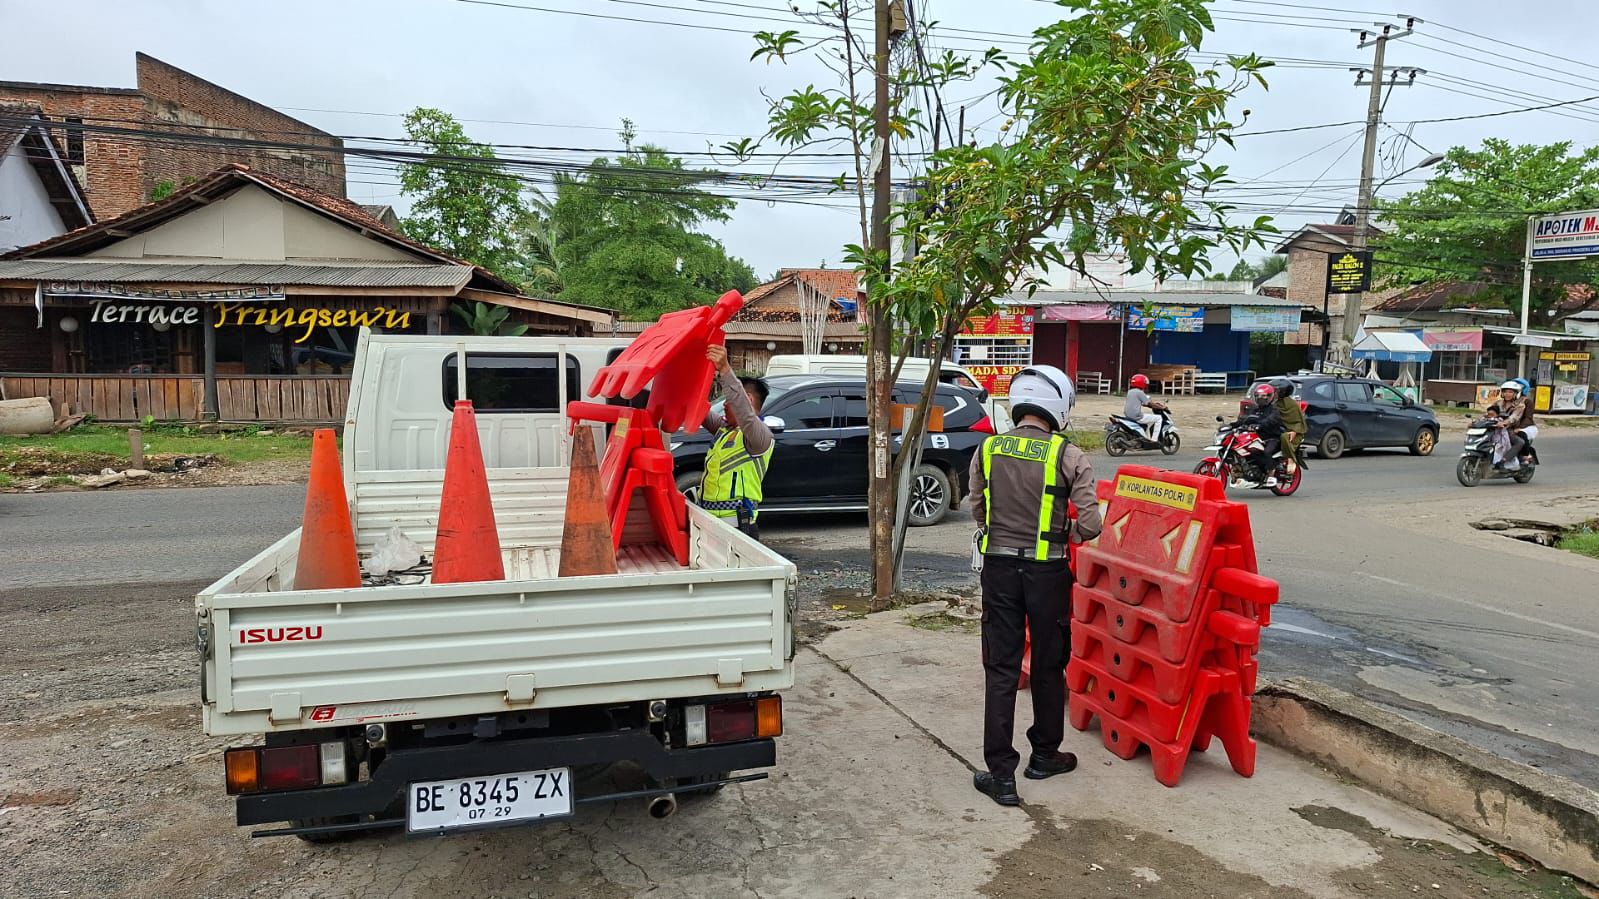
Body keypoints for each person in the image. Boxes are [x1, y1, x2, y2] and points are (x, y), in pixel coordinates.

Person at [968, 365, 1103, 807]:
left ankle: (1000, 775)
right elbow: (1091, 523)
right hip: (1049, 576)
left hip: (1000, 572)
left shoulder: (988, 449)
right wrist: (1069, 538)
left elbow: (977, 506)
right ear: (1058, 405)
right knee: (1048, 664)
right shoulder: (1069, 456)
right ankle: (1045, 755)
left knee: (1002, 670)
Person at [697, 345, 773, 540]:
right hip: (711, 523)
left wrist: (724, 369)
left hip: (739, 528)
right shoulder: (724, 430)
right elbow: (698, 409)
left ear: (746, 400)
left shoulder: (758, 437)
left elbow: (745, 413)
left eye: (727, 400)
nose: (723, 404)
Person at [1237, 382, 1286, 485]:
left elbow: (1271, 420)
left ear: (1270, 396)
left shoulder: (1275, 410)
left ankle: (1271, 473)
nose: (1261, 398)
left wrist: (1260, 425)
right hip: (1258, 437)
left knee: (1266, 452)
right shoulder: (1255, 410)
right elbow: (1246, 419)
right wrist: (1232, 425)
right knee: (1246, 449)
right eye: (1258, 396)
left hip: (1273, 437)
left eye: (1263, 396)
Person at [1485, 380, 1529, 468]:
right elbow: (1489, 413)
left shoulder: (1520, 405)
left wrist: (1503, 423)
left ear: (1515, 393)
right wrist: (1476, 422)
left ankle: (1503, 461)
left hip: (1509, 430)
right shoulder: (1498, 403)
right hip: (1494, 428)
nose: (1507, 394)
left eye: (1510, 392)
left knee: (1520, 442)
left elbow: (1514, 417)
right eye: (1505, 392)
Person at [1269, 378, 1307, 474]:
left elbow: (1298, 422)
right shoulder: (1272, 403)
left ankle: (1290, 459)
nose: (1274, 393)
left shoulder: (1292, 404)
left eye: (1276, 391)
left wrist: (1294, 431)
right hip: (1277, 429)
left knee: (1284, 437)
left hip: (1293, 432)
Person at [1123, 374, 1166, 438]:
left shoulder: (1130, 392)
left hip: (1128, 415)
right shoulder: (1140, 392)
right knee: (1159, 418)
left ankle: (1145, 437)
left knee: (1147, 422)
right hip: (1137, 416)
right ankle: (1154, 440)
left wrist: (1151, 405)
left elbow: (1144, 403)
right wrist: (1162, 407)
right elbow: (1149, 403)